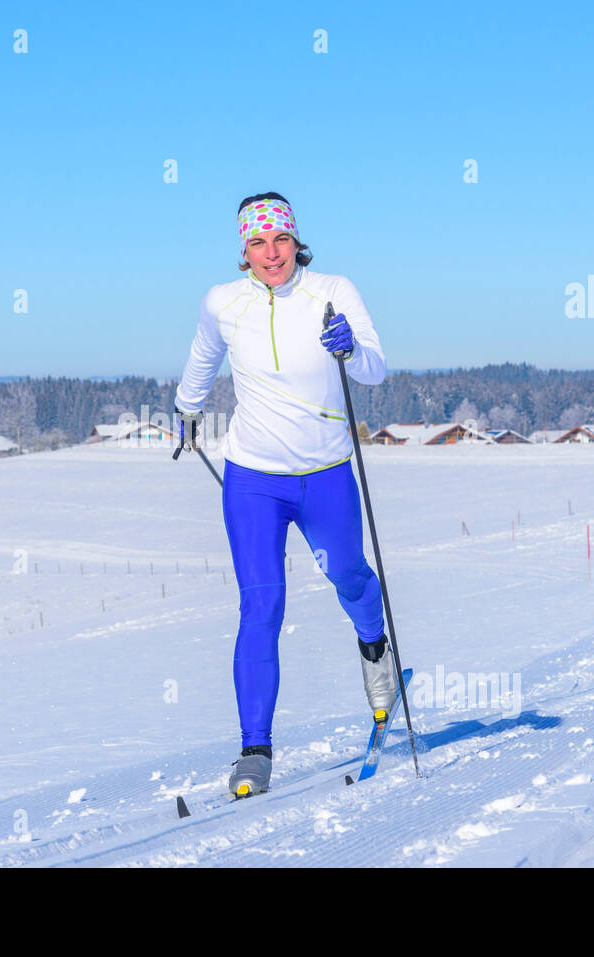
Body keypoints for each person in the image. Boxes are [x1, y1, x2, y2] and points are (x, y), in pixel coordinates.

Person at [173, 192, 395, 798]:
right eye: (258, 243)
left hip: (325, 474)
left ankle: (377, 654)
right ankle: (254, 751)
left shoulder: (333, 291)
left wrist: (351, 346)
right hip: (254, 479)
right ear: (242, 250)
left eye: (281, 241)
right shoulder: (223, 302)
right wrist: (187, 410)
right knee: (261, 607)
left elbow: (375, 368)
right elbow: (202, 359)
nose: (272, 254)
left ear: (297, 241)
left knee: (349, 575)